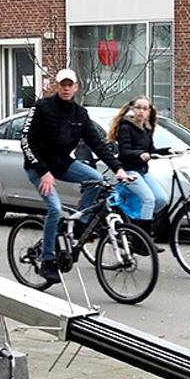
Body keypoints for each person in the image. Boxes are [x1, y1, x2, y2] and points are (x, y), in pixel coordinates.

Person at [21, 68, 130, 284]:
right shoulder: (42, 108)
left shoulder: (80, 114)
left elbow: (97, 144)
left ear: (76, 88)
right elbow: (26, 141)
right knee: (54, 209)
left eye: (70, 84)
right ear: (57, 86)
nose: (67, 88)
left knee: (97, 180)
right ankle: (47, 261)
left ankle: (80, 224)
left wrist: (118, 168)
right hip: (39, 168)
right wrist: (43, 172)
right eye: (63, 84)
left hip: (62, 164)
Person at [108, 96, 173, 241]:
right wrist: (140, 154)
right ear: (132, 109)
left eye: (145, 109)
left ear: (149, 111)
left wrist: (168, 151)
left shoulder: (147, 128)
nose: (141, 112)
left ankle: (138, 225)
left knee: (161, 199)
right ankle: (142, 239)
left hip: (142, 171)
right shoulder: (125, 127)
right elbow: (124, 152)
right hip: (128, 170)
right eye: (138, 108)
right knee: (149, 199)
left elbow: (151, 150)